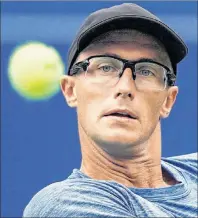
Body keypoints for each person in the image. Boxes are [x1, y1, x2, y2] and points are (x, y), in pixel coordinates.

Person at [23, 3, 197, 217]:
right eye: (105, 67)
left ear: (168, 101)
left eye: (146, 71)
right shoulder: (65, 205)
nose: (125, 88)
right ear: (70, 90)